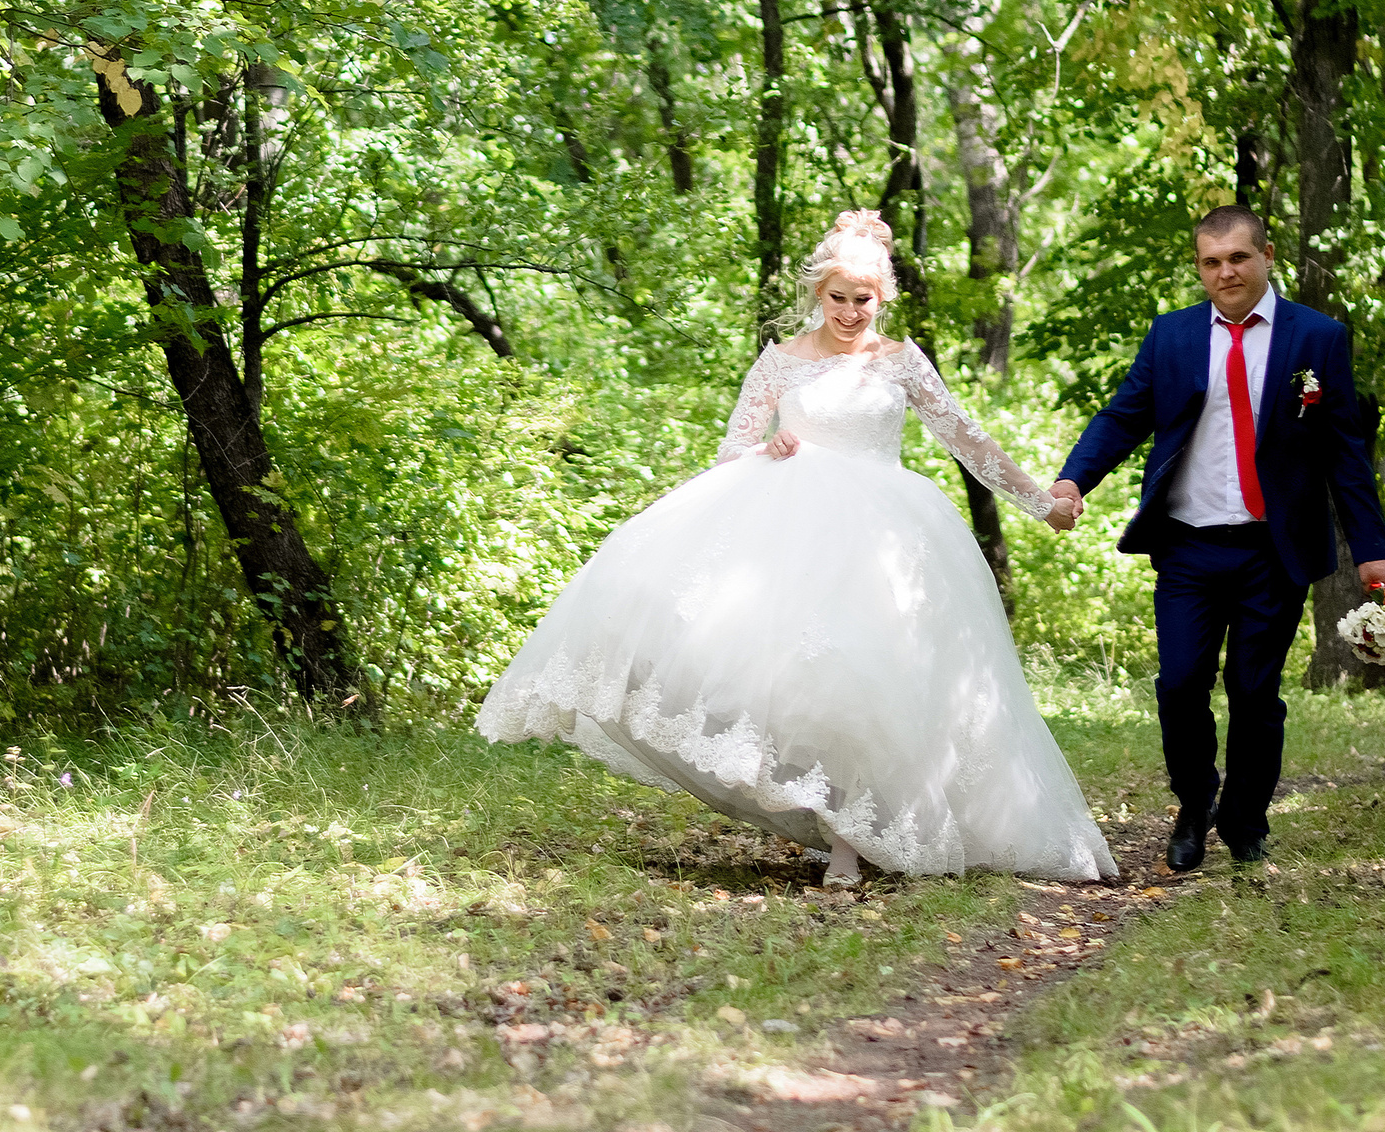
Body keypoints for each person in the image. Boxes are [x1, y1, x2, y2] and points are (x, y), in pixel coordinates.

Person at [478, 212, 1118, 888]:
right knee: (814, 687)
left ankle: (869, 829)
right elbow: (734, 446)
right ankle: (840, 834)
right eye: (837, 297)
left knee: (871, 683)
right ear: (819, 292)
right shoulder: (781, 361)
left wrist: (1041, 502)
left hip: (890, 540)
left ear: (883, 297)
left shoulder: (900, 361)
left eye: (862, 299)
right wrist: (767, 446)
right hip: (794, 536)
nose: (849, 312)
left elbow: (968, 439)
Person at [1048, 205, 1385, 872]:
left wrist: (1374, 553)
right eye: (1211, 262)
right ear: (1200, 269)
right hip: (1188, 542)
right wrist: (1072, 480)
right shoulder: (1173, 337)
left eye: (1238, 258)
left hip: (1275, 546)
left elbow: (1345, 451)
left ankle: (1246, 819)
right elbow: (1124, 416)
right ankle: (1193, 802)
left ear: (1265, 255)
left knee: (1253, 690)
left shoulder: (1317, 338)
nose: (1225, 272)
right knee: (1180, 684)